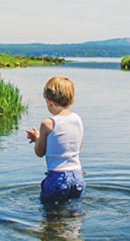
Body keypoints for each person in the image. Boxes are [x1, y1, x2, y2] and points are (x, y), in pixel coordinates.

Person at [26, 76, 85, 204]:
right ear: (72, 100)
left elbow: (40, 152)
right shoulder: (78, 120)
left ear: (49, 102)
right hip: (77, 176)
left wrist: (37, 138)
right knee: (74, 211)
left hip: (57, 178)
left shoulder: (48, 124)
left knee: (50, 211)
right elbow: (76, 148)